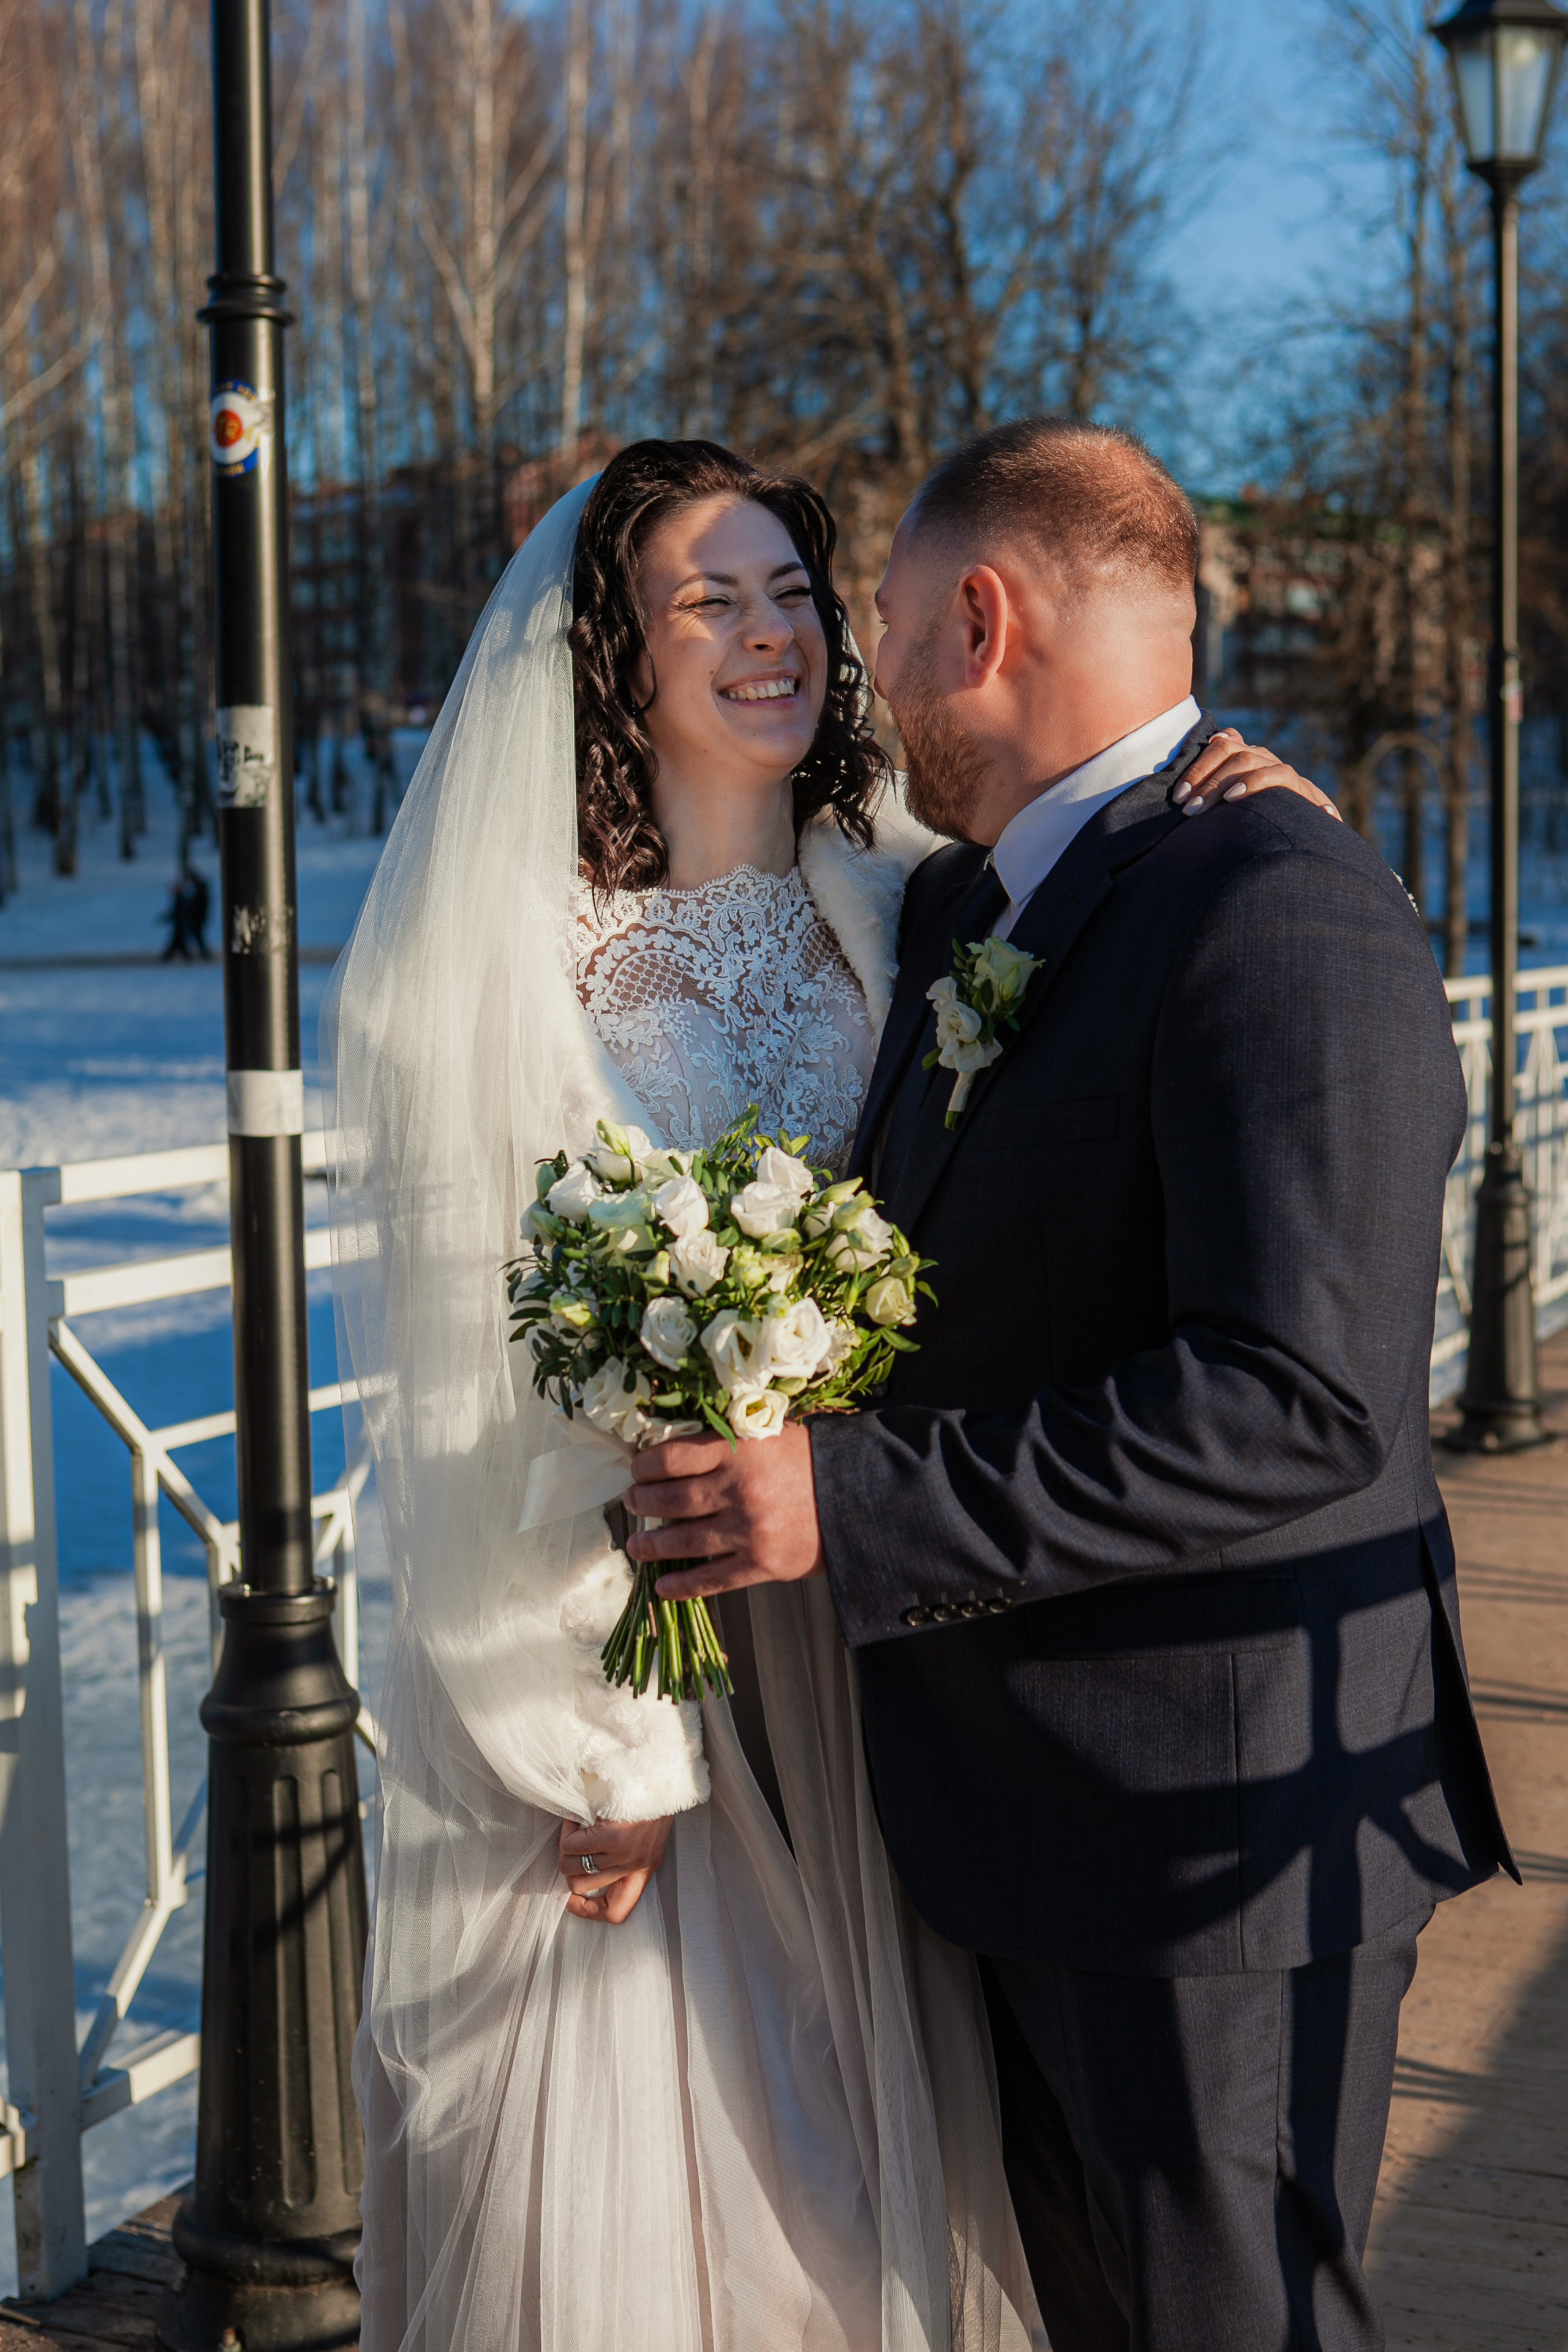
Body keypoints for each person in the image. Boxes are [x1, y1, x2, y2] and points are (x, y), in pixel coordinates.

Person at [325, 437, 1333, 2352]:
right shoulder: (502, 975)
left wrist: (1244, 805)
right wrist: (595, 1754)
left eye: (799, 590)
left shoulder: (902, 908)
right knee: (697, 2226)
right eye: (716, 599)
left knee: (908, 2206)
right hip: (642, 1695)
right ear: (605, 653)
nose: (780, 635)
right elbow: (479, 1415)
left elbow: (1114, 900)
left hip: (897, 1669)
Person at [627, 418, 1517, 2352]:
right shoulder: (970, 906)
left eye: (867, 617)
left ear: (983, 616)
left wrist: (841, 1501)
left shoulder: (1275, 904)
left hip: (1213, 1836)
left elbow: (1302, 1396)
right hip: (1008, 1813)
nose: (858, 665)